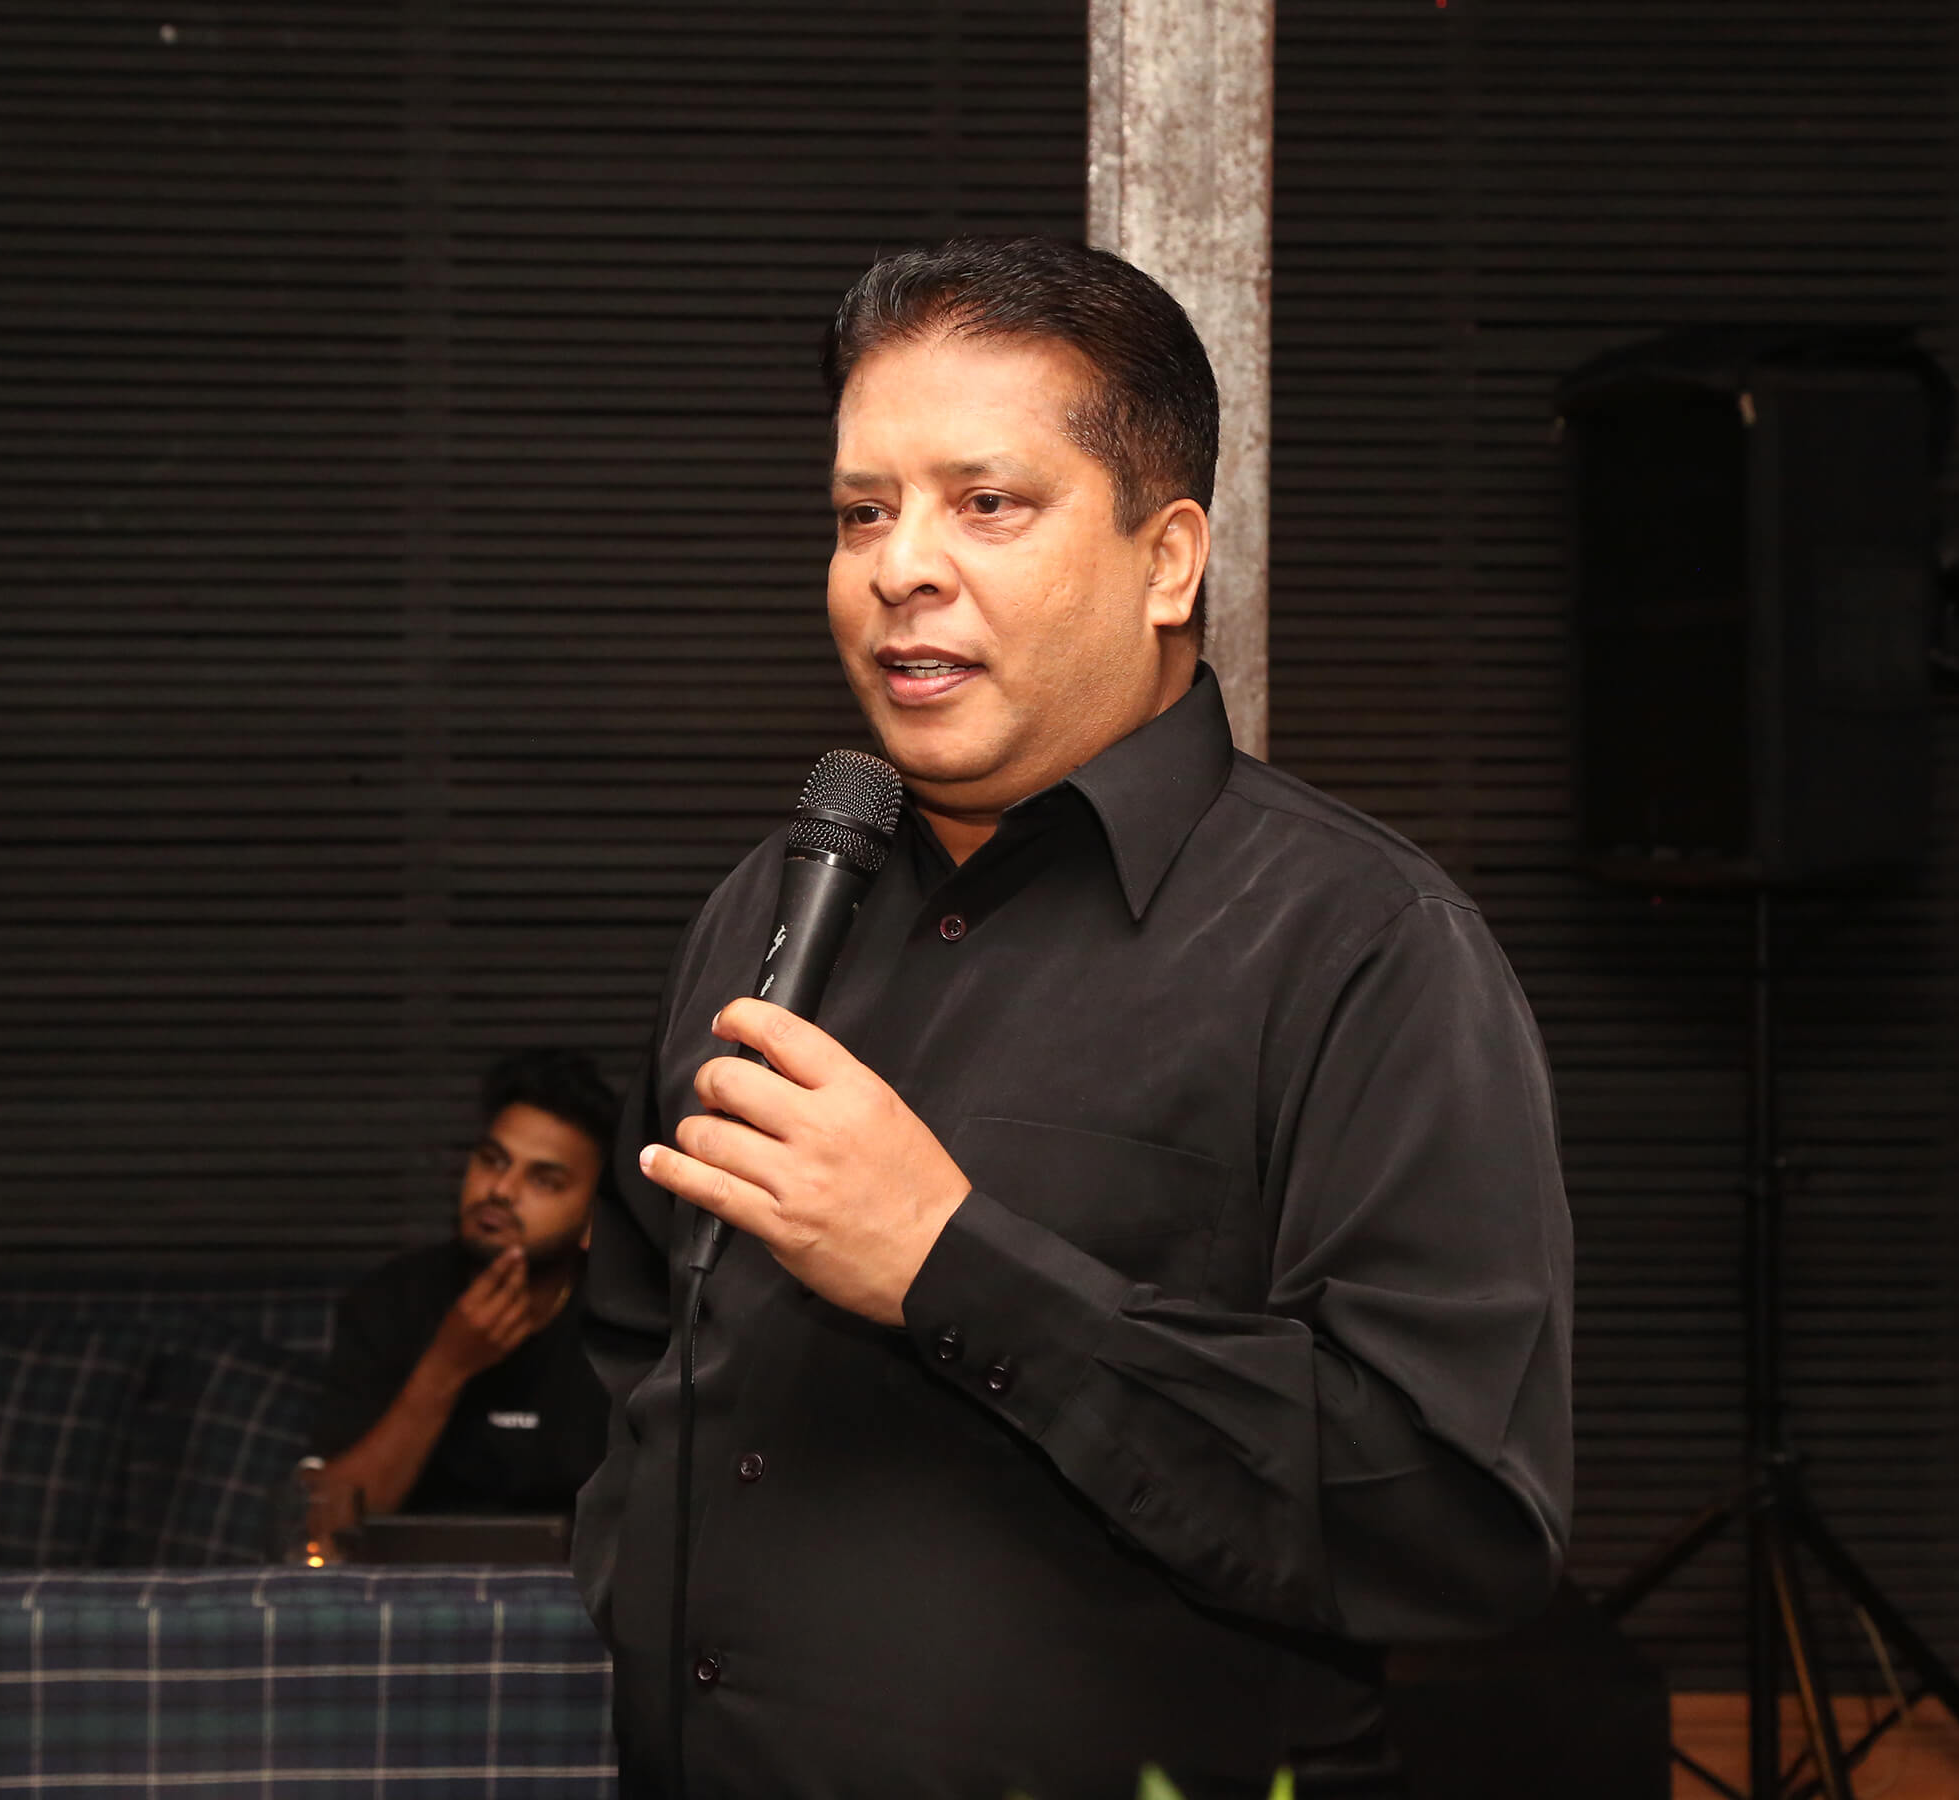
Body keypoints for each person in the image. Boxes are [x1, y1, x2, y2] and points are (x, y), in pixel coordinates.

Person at [573, 238, 1572, 1798]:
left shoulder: (1360, 944)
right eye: (861, 511)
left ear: (1165, 562)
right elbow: (639, 1332)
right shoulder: (768, 900)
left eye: (985, 503)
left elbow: (1450, 1521)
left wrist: (948, 1266)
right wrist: (628, 1573)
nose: (899, 566)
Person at [310, 1048, 616, 1518]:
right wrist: (446, 1367)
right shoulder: (392, 1300)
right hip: (413, 1567)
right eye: (492, 1161)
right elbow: (327, 1523)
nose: (501, 1190)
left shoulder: (625, 1321)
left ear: (592, 1221)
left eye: (544, 1181)